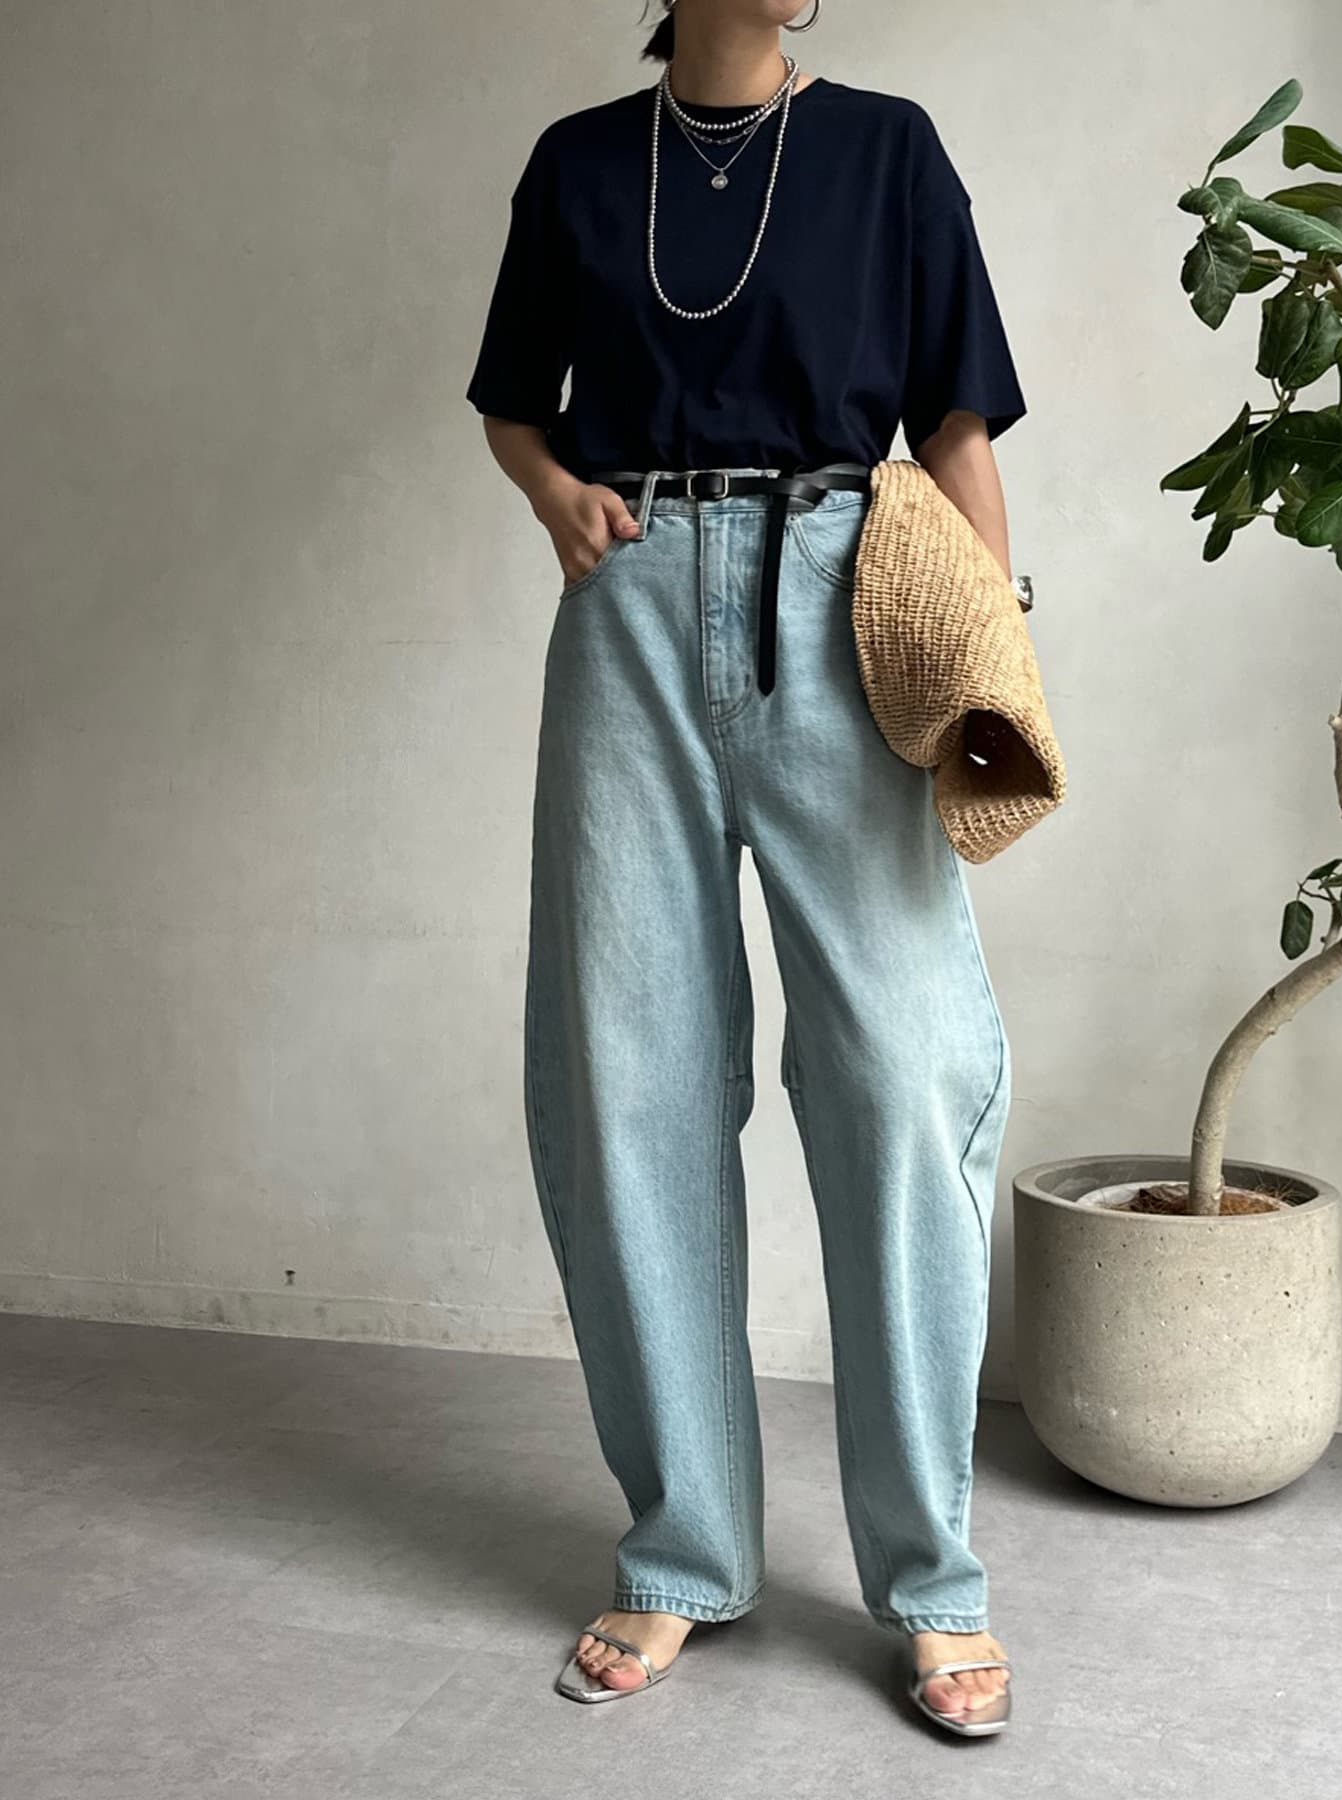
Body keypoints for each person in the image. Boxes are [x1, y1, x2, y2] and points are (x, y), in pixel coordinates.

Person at [465, 0, 1026, 1738]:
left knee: (901, 1074)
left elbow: (957, 429)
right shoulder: (580, 165)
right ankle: (681, 1548)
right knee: (626, 1078)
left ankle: (931, 1577)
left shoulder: (886, 150)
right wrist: (552, 494)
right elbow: (512, 405)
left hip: (844, 603)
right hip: (629, 614)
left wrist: (991, 663)